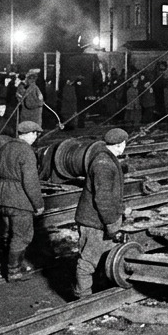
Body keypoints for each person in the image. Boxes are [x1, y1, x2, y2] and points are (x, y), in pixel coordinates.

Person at [73, 128, 128, 299]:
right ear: (120, 145)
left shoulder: (105, 159)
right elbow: (102, 199)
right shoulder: (104, 164)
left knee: (101, 255)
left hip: (97, 219)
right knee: (87, 262)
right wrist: (112, 223)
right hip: (94, 221)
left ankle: (97, 289)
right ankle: (83, 298)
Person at [0, 120, 46, 281]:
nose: (36, 137)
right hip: (20, 200)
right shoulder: (26, 151)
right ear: (30, 134)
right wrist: (38, 204)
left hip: (3, 197)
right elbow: (30, 182)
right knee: (22, 236)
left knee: (9, 234)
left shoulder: (5, 147)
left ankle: (10, 264)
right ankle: (13, 271)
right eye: (35, 134)